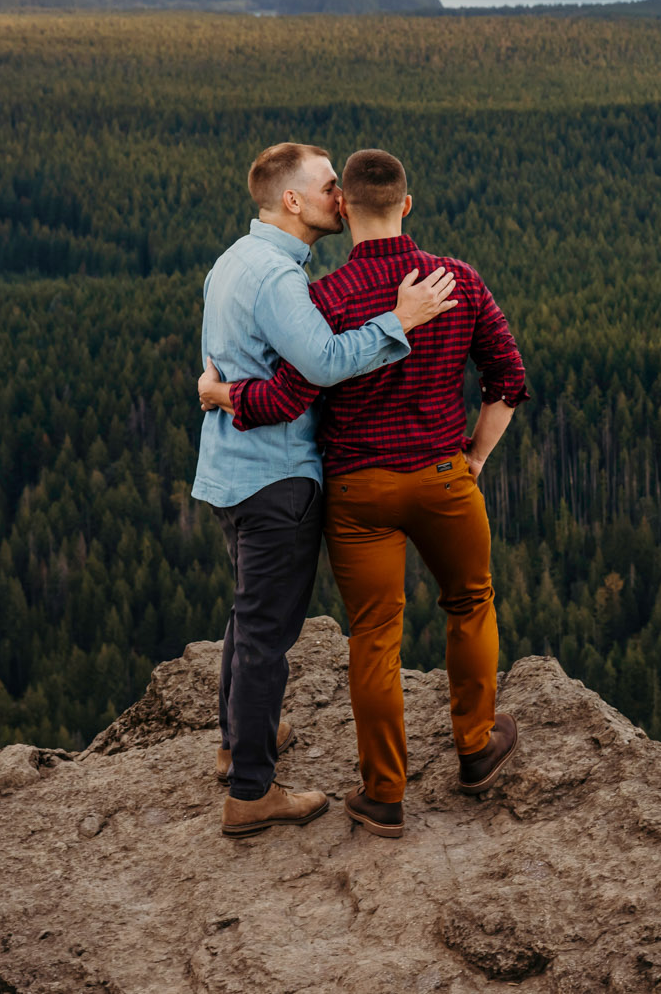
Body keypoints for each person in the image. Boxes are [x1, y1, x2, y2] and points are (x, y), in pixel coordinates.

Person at [200, 147, 527, 840]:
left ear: (343, 207)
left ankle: (383, 794)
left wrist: (223, 394)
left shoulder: (324, 296)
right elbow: (509, 380)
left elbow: (292, 391)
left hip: (358, 493)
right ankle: (474, 747)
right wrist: (473, 455)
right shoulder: (457, 280)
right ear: (407, 204)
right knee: (470, 603)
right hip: (444, 479)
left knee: (374, 636)